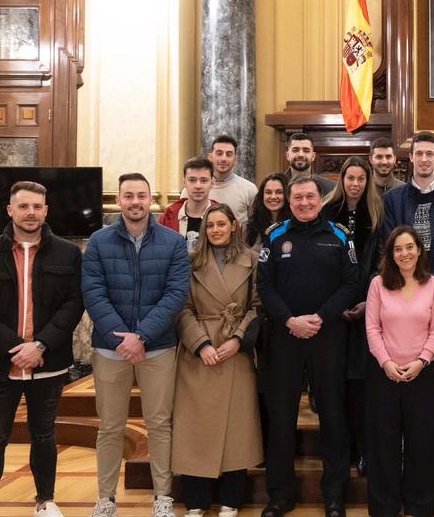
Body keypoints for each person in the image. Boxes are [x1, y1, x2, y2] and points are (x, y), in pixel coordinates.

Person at [0, 180, 84, 517]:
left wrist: (40, 344)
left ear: (46, 211)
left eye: (37, 207)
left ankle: (45, 501)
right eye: (24, 206)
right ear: (10, 210)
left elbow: (74, 305)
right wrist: (17, 347)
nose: (31, 213)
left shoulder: (68, 254)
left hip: (49, 362)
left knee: (44, 435)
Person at [83, 173, 191, 517]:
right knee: (110, 426)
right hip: (110, 348)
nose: (135, 202)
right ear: (119, 198)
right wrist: (123, 337)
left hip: (157, 347)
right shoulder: (98, 242)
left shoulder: (173, 243)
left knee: (159, 424)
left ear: (151, 200)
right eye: (128, 195)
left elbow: (176, 295)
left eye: (141, 195)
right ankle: (105, 499)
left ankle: (162, 498)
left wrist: (141, 336)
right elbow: (93, 294)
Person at [257, 177, 360, 517]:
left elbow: (351, 285)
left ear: (321, 200)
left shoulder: (340, 235)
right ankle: (280, 496)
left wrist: (319, 317)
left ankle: (334, 495)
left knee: (333, 416)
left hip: (327, 336)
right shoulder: (274, 236)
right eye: (298, 197)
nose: (304, 202)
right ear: (289, 200)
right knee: (282, 418)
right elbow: (265, 287)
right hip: (285, 338)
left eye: (310, 196)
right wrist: (290, 321)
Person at [380, 131, 434, 467]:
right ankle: (404, 439)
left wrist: (432, 284)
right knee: (403, 360)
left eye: (431, 154)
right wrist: (408, 283)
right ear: (411, 158)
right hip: (400, 294)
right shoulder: (395, 198)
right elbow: (392, 246)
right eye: (420, 154)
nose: (426, 159)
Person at [171, 205, 262, 517]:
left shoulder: (251, 259)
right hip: (199, 354)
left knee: (237, 429)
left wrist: (238, 338)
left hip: (236, 353)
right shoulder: (189, 261)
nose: (216, 230)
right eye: (210, 225)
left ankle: (231, 499)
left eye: (221, 224)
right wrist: (201, 344)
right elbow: (181, 307)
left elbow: (256, 306)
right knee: (196, 428)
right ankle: (196, 501)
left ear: (233, 226)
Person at [365, 226, 434, 517]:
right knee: (383, 443)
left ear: (419, 250)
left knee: (421, 443)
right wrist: (386, 362)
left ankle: (420, 503)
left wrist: (422, 360)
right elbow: (372, 328)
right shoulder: (378, 284)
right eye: (398, 249)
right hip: (384, 374)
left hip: (421, 374)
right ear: (390, 254)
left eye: (409, 247)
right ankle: (384, 505)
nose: (405, 253)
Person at [322, 156, 386, 477]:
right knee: (335, 383)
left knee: (360, 384)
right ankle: (340, 450)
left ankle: (363, 450)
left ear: (368, 181)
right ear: (342, 180)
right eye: (350, 178)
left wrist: (365, 300)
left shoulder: (376, 214)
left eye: (361, 178)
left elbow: (379, 262)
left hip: (365, 308)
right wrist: (337, 302)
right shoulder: (326, 211)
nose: (355, 184)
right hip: (333, 310)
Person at [203, 134, 259, 232]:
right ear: (210, 157)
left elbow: (256, 225)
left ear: (235, 159)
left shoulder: (249, 189)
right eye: (219, 153)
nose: (224, 159)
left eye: (229, 154)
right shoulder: (197, 188)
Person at [160, 157, 218, 250]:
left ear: (212, 182)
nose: (198, 186)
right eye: (192, 180)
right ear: (184, 182)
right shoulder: (168, 216)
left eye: (204, 180)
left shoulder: (223, 216)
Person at [283, 132, 336, 196]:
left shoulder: (330, 188)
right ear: (287, 155)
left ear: (313, 156)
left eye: (306, 151)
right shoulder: (277, 186)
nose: (301, 155)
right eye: (295, 150)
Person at [246, 173, 291, 248]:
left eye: (279, 192)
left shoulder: (294, 226)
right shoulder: (252, 226)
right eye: (268, 192)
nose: (273, 197)